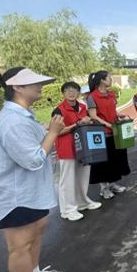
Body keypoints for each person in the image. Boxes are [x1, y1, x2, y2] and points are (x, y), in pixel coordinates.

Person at [0, 67, 66, 272]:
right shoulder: (13, 121)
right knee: (20, 246)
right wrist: (53, 132)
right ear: (17, 87)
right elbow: (33, 159)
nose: (40, 86)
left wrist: (48, 130)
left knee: (35, 233)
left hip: (29, 192)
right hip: (16, 197)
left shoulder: (23, 115)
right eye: (34, 83)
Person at [51, 82, 101, 222]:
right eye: (68, 91)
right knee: (67, 179)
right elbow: (57, 131)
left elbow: (86, 123)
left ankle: (82, 202)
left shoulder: (83, 107)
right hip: (67, 148)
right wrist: (77, 124)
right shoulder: (59, 110)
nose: (71, 93)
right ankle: (68, 210)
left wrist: (89, 122)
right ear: (63, 93)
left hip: (83, 147)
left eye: (74, 90)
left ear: (78, 92)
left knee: (83, 176)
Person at [86, 70, 130, 200]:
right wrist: (107, 124)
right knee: (103, 162)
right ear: (102, 80)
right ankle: (103, 189)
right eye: (109, 78)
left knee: (114, 160)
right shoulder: (92, 96)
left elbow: (113, 110)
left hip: (114, 131)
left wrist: (119, 116)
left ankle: (112, 184)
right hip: (101, 134)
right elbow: (93, 116)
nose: (111, 80)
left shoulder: (111, 94)